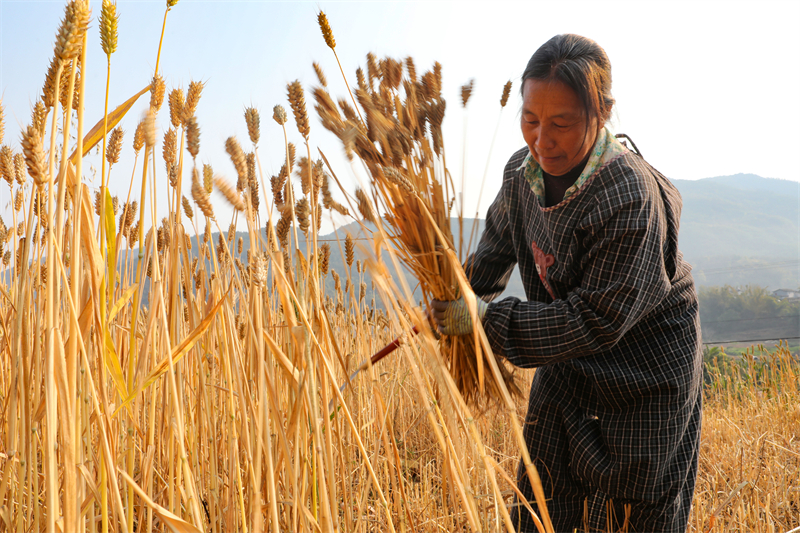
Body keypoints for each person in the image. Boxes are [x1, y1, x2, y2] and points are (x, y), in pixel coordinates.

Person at [431, 34, 702, 532]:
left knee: (625, 510)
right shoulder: (521, 174)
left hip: (645, 370)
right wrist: (456, 297)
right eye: (530, 121)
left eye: (561, 123)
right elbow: (494, 252)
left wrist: (490, 322)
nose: (541, 140)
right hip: (566, 357)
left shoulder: (629, 198)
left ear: (602, 112)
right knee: (542, 494)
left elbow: (596, 321)